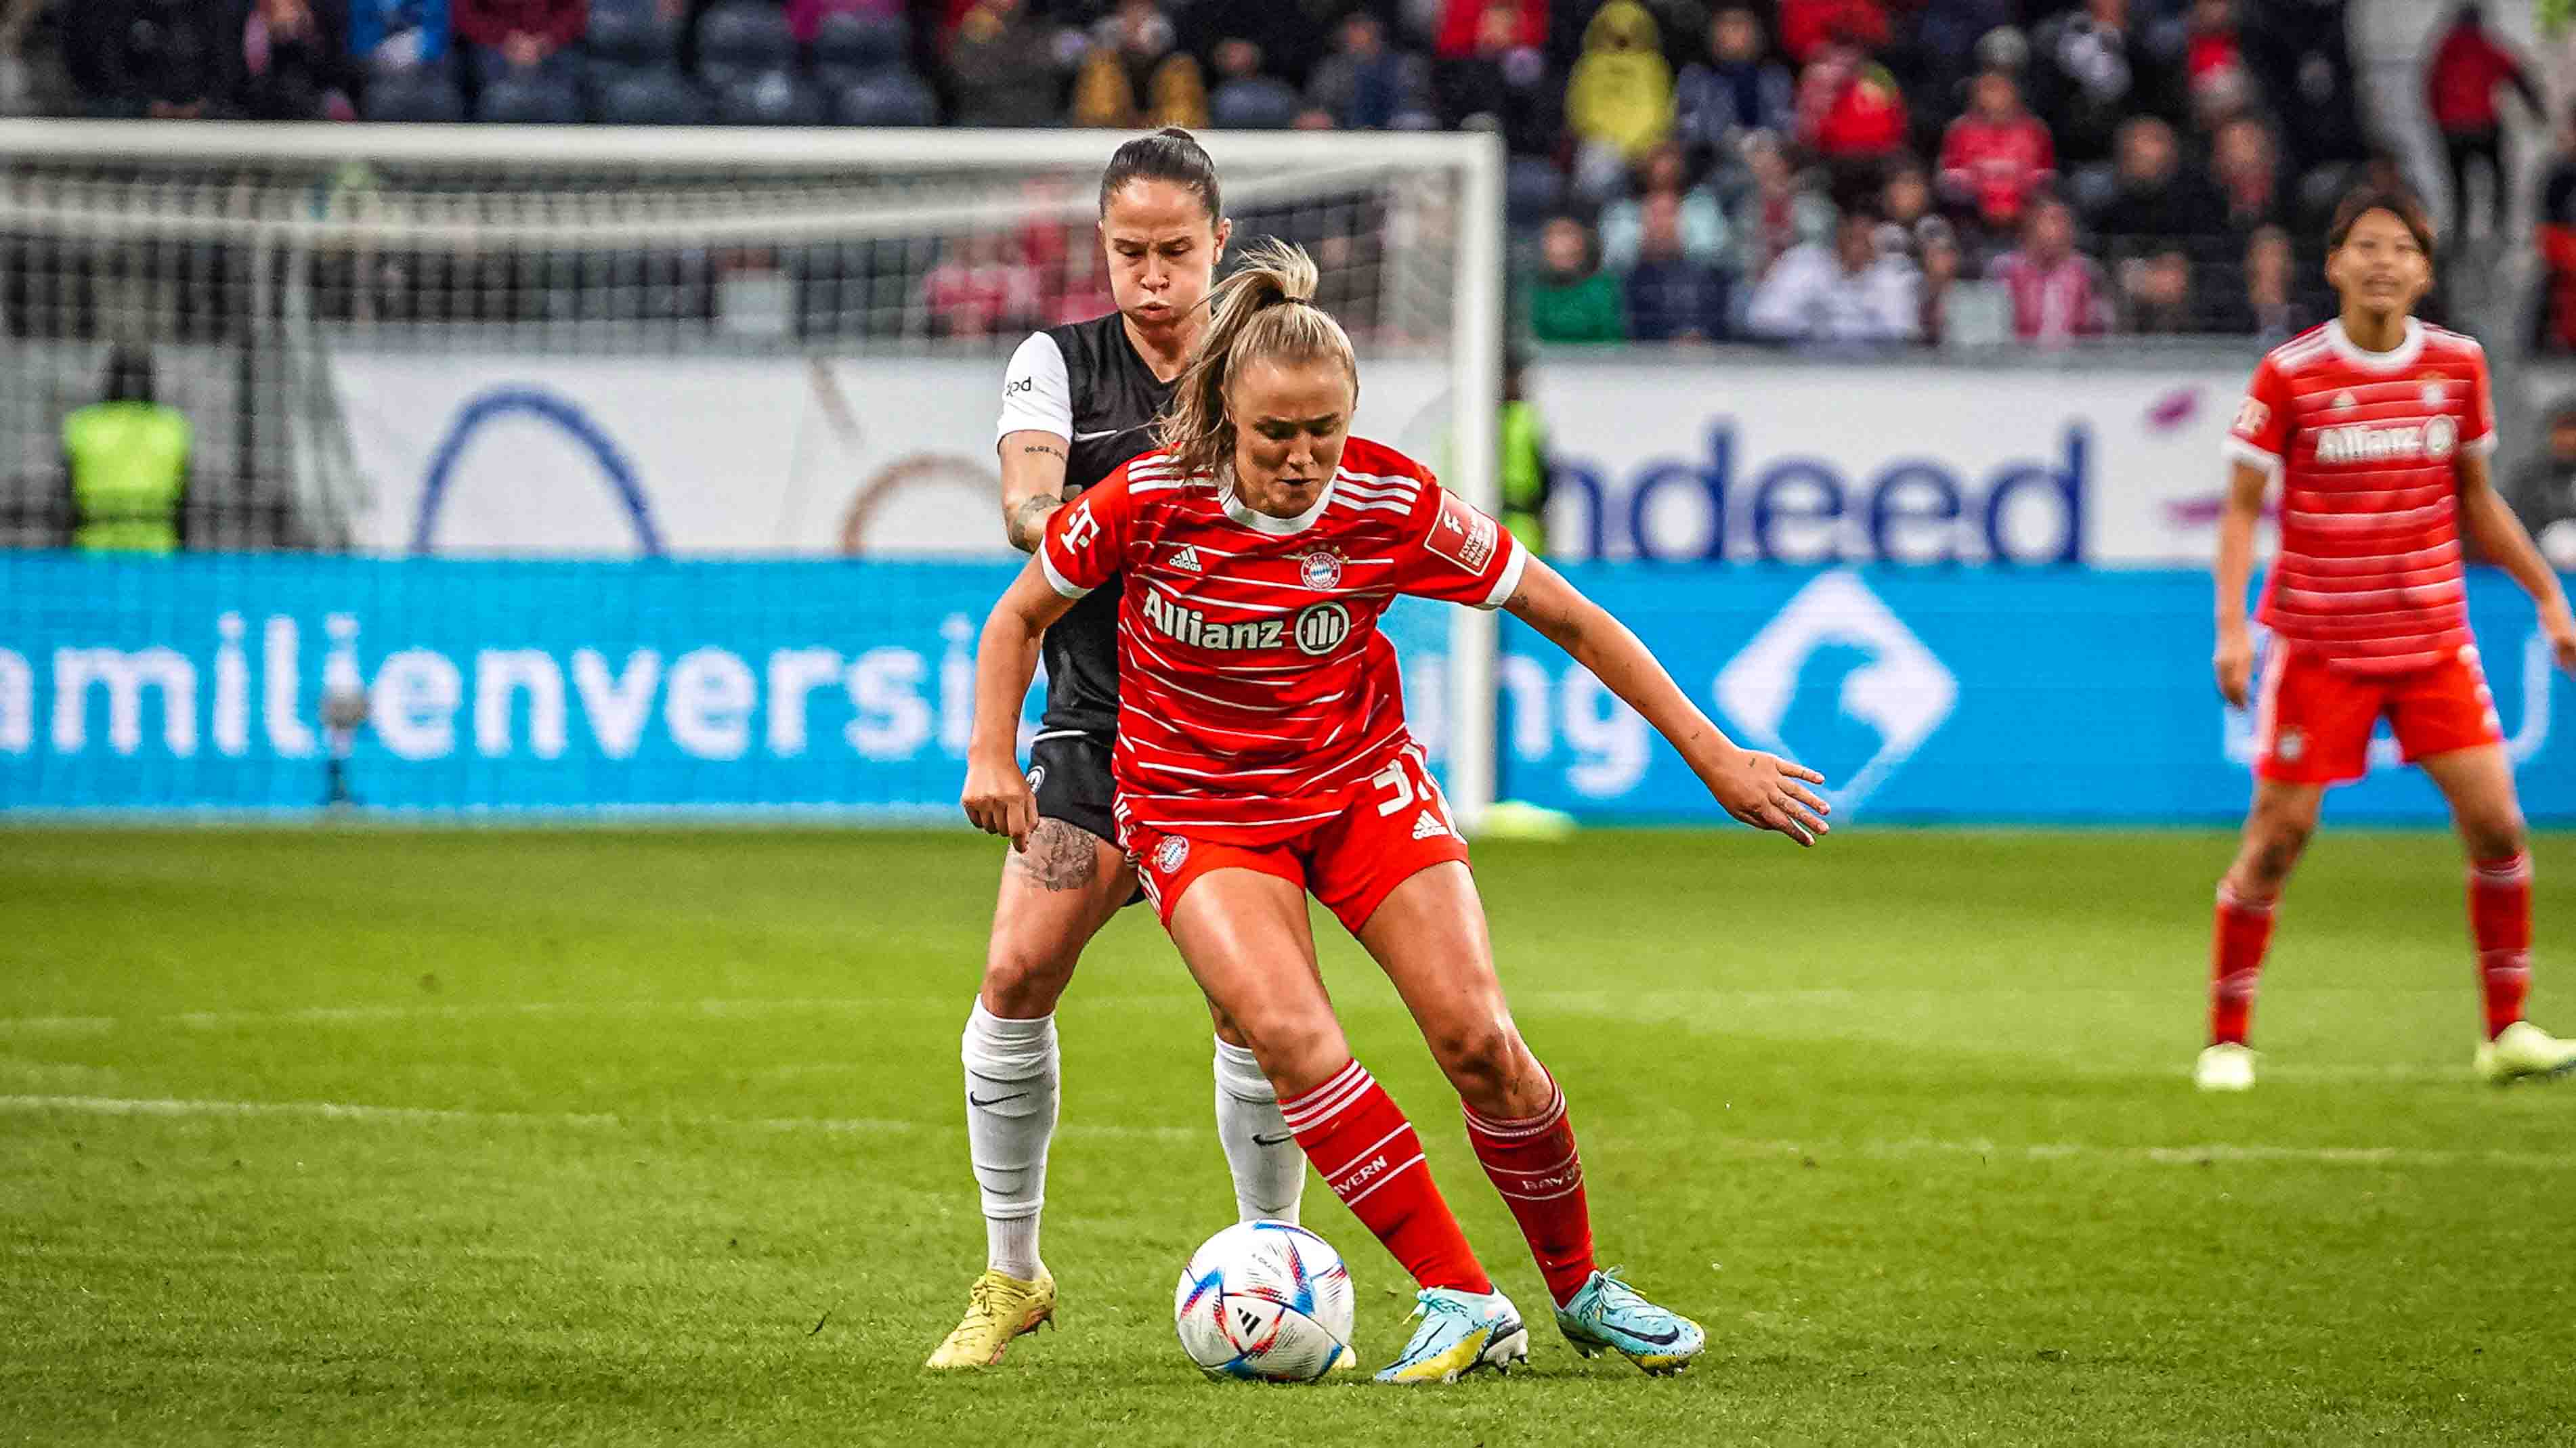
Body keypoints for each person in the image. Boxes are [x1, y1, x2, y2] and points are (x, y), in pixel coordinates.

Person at [963, 238, 1830, 1382]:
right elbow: (1016, 616)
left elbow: (1571, 617)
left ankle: (1579, 1288)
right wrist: (993, 752)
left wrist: (1712, 756)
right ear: (1225, 411)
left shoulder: (1388, 498)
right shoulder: (1144, 499)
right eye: (1276, 433)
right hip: (1199, 811)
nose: (1301, 457)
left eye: (1323, 428)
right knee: (1288, 1035)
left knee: (1480, 1043)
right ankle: (1458, 1292)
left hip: (1359, 788)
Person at [924, 129, 1310, 1372]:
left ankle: (1276, 1264)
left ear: (1218, 243)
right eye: (1128, 251)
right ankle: (1012, 1271)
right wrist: (1128, 516)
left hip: (1238, 738)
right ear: (1103, 247)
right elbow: (1024, 509)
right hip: (1095, 730)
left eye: (1175, 251)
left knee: (1250, 1008)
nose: (1150, 276)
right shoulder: (1059, 363)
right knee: (1015, 973)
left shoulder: (1267, 365)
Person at [2202, 186, 2576, 1093]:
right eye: (2365, 246)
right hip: (2321, 641)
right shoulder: (2291, 374)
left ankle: (2506, 1029)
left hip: (2431, 638)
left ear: (2424, 269)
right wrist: (2232, 627)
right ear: (2333, 264)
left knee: (2496, 823)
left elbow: (2478, 500)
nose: (2383, 262)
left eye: (2400, 249)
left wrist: (2548, 597)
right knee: (2278, 839)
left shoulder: (2457, 366)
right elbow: (2244, 507)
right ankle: (2228, 1036)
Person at [2423, 2, 2541, 245]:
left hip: (2452, 129)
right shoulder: (2486, 46)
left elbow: (2431, 88)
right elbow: (2518, 74)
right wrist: (2537, 111)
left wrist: (2437, 121)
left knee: (2459, 187)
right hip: (2483, 126)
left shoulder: (2443, 49)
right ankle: (2500, 229)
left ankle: (2459, 235)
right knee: (2499, 177)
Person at [62, 347, 192, 553]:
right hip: (158, 547)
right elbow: (186, 500)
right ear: (151, 382)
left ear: (109, 381)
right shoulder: (173, 427)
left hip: (95, 546)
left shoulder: (82, 426)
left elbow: (66, 495)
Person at [1744, 203, 1919, 345]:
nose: (1858, 247)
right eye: (1852, 236)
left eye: (1865, 239)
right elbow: (1764, 319)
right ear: (1838, 234)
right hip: (1805, 364)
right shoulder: (1802, 263)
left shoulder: (1894, 275)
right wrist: (1813, 331)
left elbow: (1903, 334)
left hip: (1871, 372)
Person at [1987, 194, 2109, 345]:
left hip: (2076, 361)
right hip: (2017, 359)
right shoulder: (2004, 269)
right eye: (2044, 222)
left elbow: (2101, 330)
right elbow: (1992, 328)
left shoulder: (2087, 271)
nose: (2052, 231)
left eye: (2058, 222)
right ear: (2028, 228)